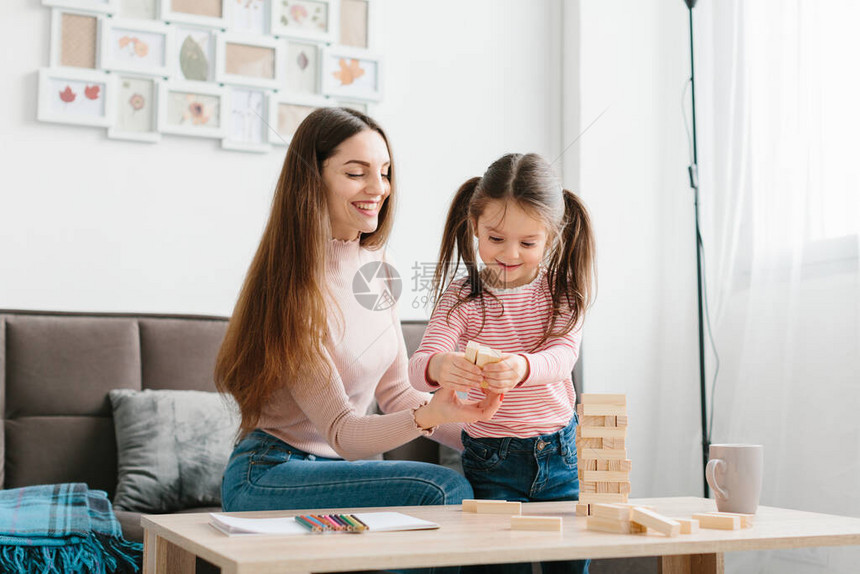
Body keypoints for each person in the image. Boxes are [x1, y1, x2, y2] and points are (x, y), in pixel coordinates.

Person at [216, 107, 502, 513]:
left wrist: (499, 438)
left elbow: (398, 391)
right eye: (356, 173)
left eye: (384, 172)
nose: (378, 188)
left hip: (345, 471)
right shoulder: (293, 290)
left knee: (497, 482)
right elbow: (343, 432)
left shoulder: (377, 269)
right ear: (311, 180)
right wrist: (432, 413)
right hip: (272, 473)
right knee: (442, 490)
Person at [408, 153, 596, 574]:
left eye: (528, 243)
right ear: (474, 225)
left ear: (552, 237)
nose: (509, 254)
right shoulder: (461, 297)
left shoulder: (563, 292)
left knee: (569, 566)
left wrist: (522, 368)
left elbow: (563, 357)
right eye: (495, 239)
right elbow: (418, 364)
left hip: (560, 455)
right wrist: (440, 367)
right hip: (491, 460)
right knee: (493, 566)